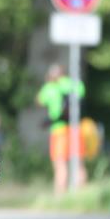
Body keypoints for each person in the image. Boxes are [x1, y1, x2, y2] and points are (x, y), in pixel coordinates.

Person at [36, 64, 87, 195]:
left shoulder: (49, 87)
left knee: (60, 165)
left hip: (58, 130)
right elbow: (82, 94)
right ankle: (81, 195)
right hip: (75, 128)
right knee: (78, 163)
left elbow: (39, 101)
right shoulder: (75, 84)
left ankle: (60, 196)